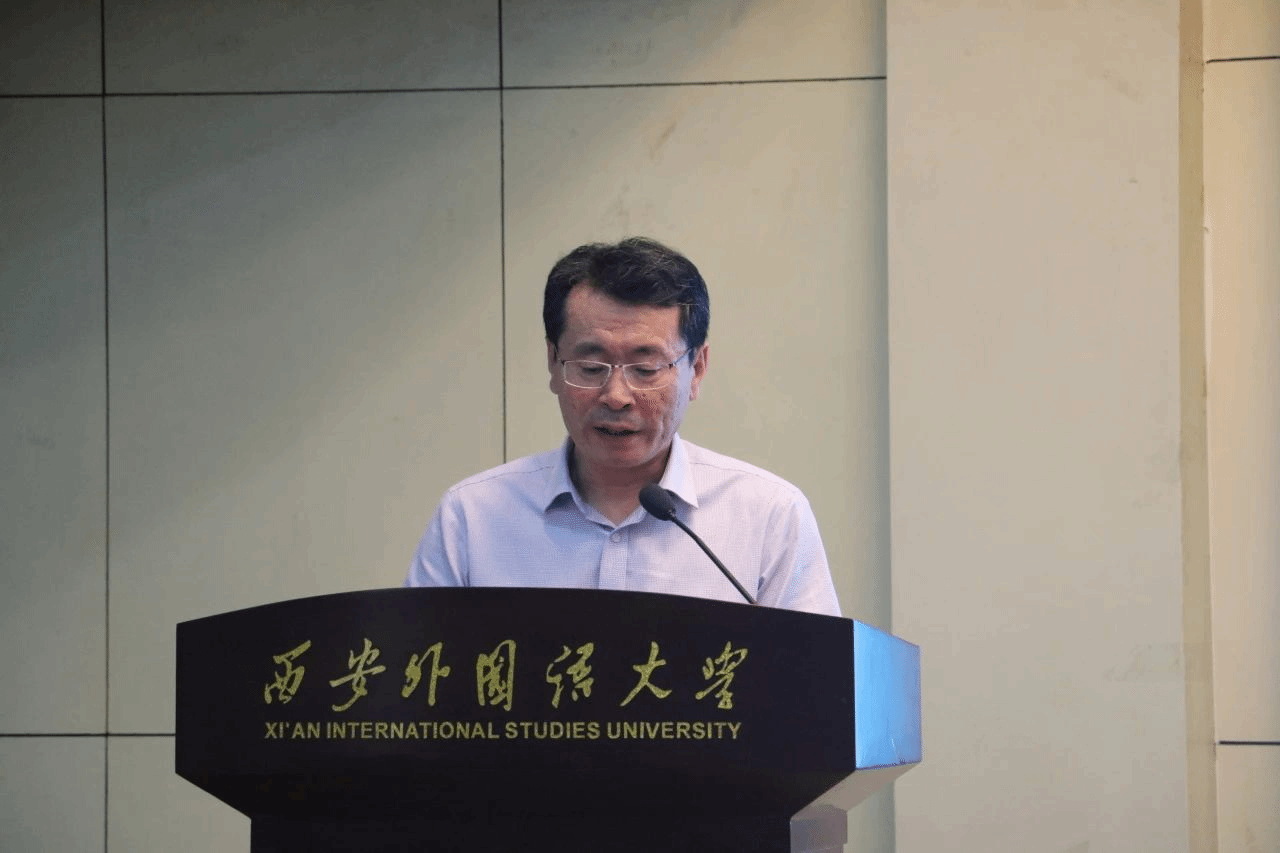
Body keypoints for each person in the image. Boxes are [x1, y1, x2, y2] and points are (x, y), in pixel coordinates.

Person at [406, 237, 840, 616]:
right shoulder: (472, 517)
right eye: (590, 367)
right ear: (554, 363)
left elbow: (816, 676)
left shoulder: (768, 516)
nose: (616, 396)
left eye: (646, 369)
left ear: (697, 369)